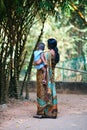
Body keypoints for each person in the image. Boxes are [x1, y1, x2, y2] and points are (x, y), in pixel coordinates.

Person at [34, 38, 60, 119]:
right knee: (51, 92)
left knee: (42, 93)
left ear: (50, 45)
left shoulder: (47, 54)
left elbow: (37, 62)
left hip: (44, 77)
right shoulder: (56, 53)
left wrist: (34, 62)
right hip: (51, 76)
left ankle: (41, 112)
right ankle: (52, 112)